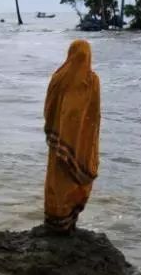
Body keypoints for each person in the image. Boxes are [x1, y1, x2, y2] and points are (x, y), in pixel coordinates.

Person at [43, 39, 100, 233]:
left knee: (57, 180)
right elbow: (94, 115)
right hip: (81, 144)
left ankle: (55, 221)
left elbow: (49, 106)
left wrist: (54, 128)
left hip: (59, 140)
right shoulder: (91, 80)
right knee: (73, 179)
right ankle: (68, 223)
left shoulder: (59, 77)